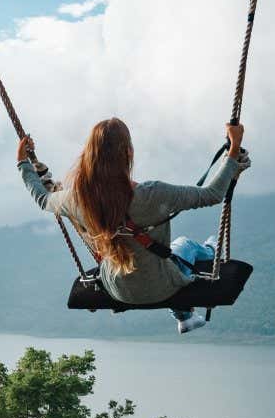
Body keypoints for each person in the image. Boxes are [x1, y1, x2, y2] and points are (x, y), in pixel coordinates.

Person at [17, 118, 247, 334]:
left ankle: (185, 316)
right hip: (161, 286)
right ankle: (209, 253)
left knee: (171, 254)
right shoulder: (152, 195)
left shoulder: (77, 200)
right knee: (185, 246)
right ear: (128, 153)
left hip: (116, 288)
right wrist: (233, 150)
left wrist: (23, 163)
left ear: (88, 156)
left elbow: (43, 198)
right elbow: (212, 194)